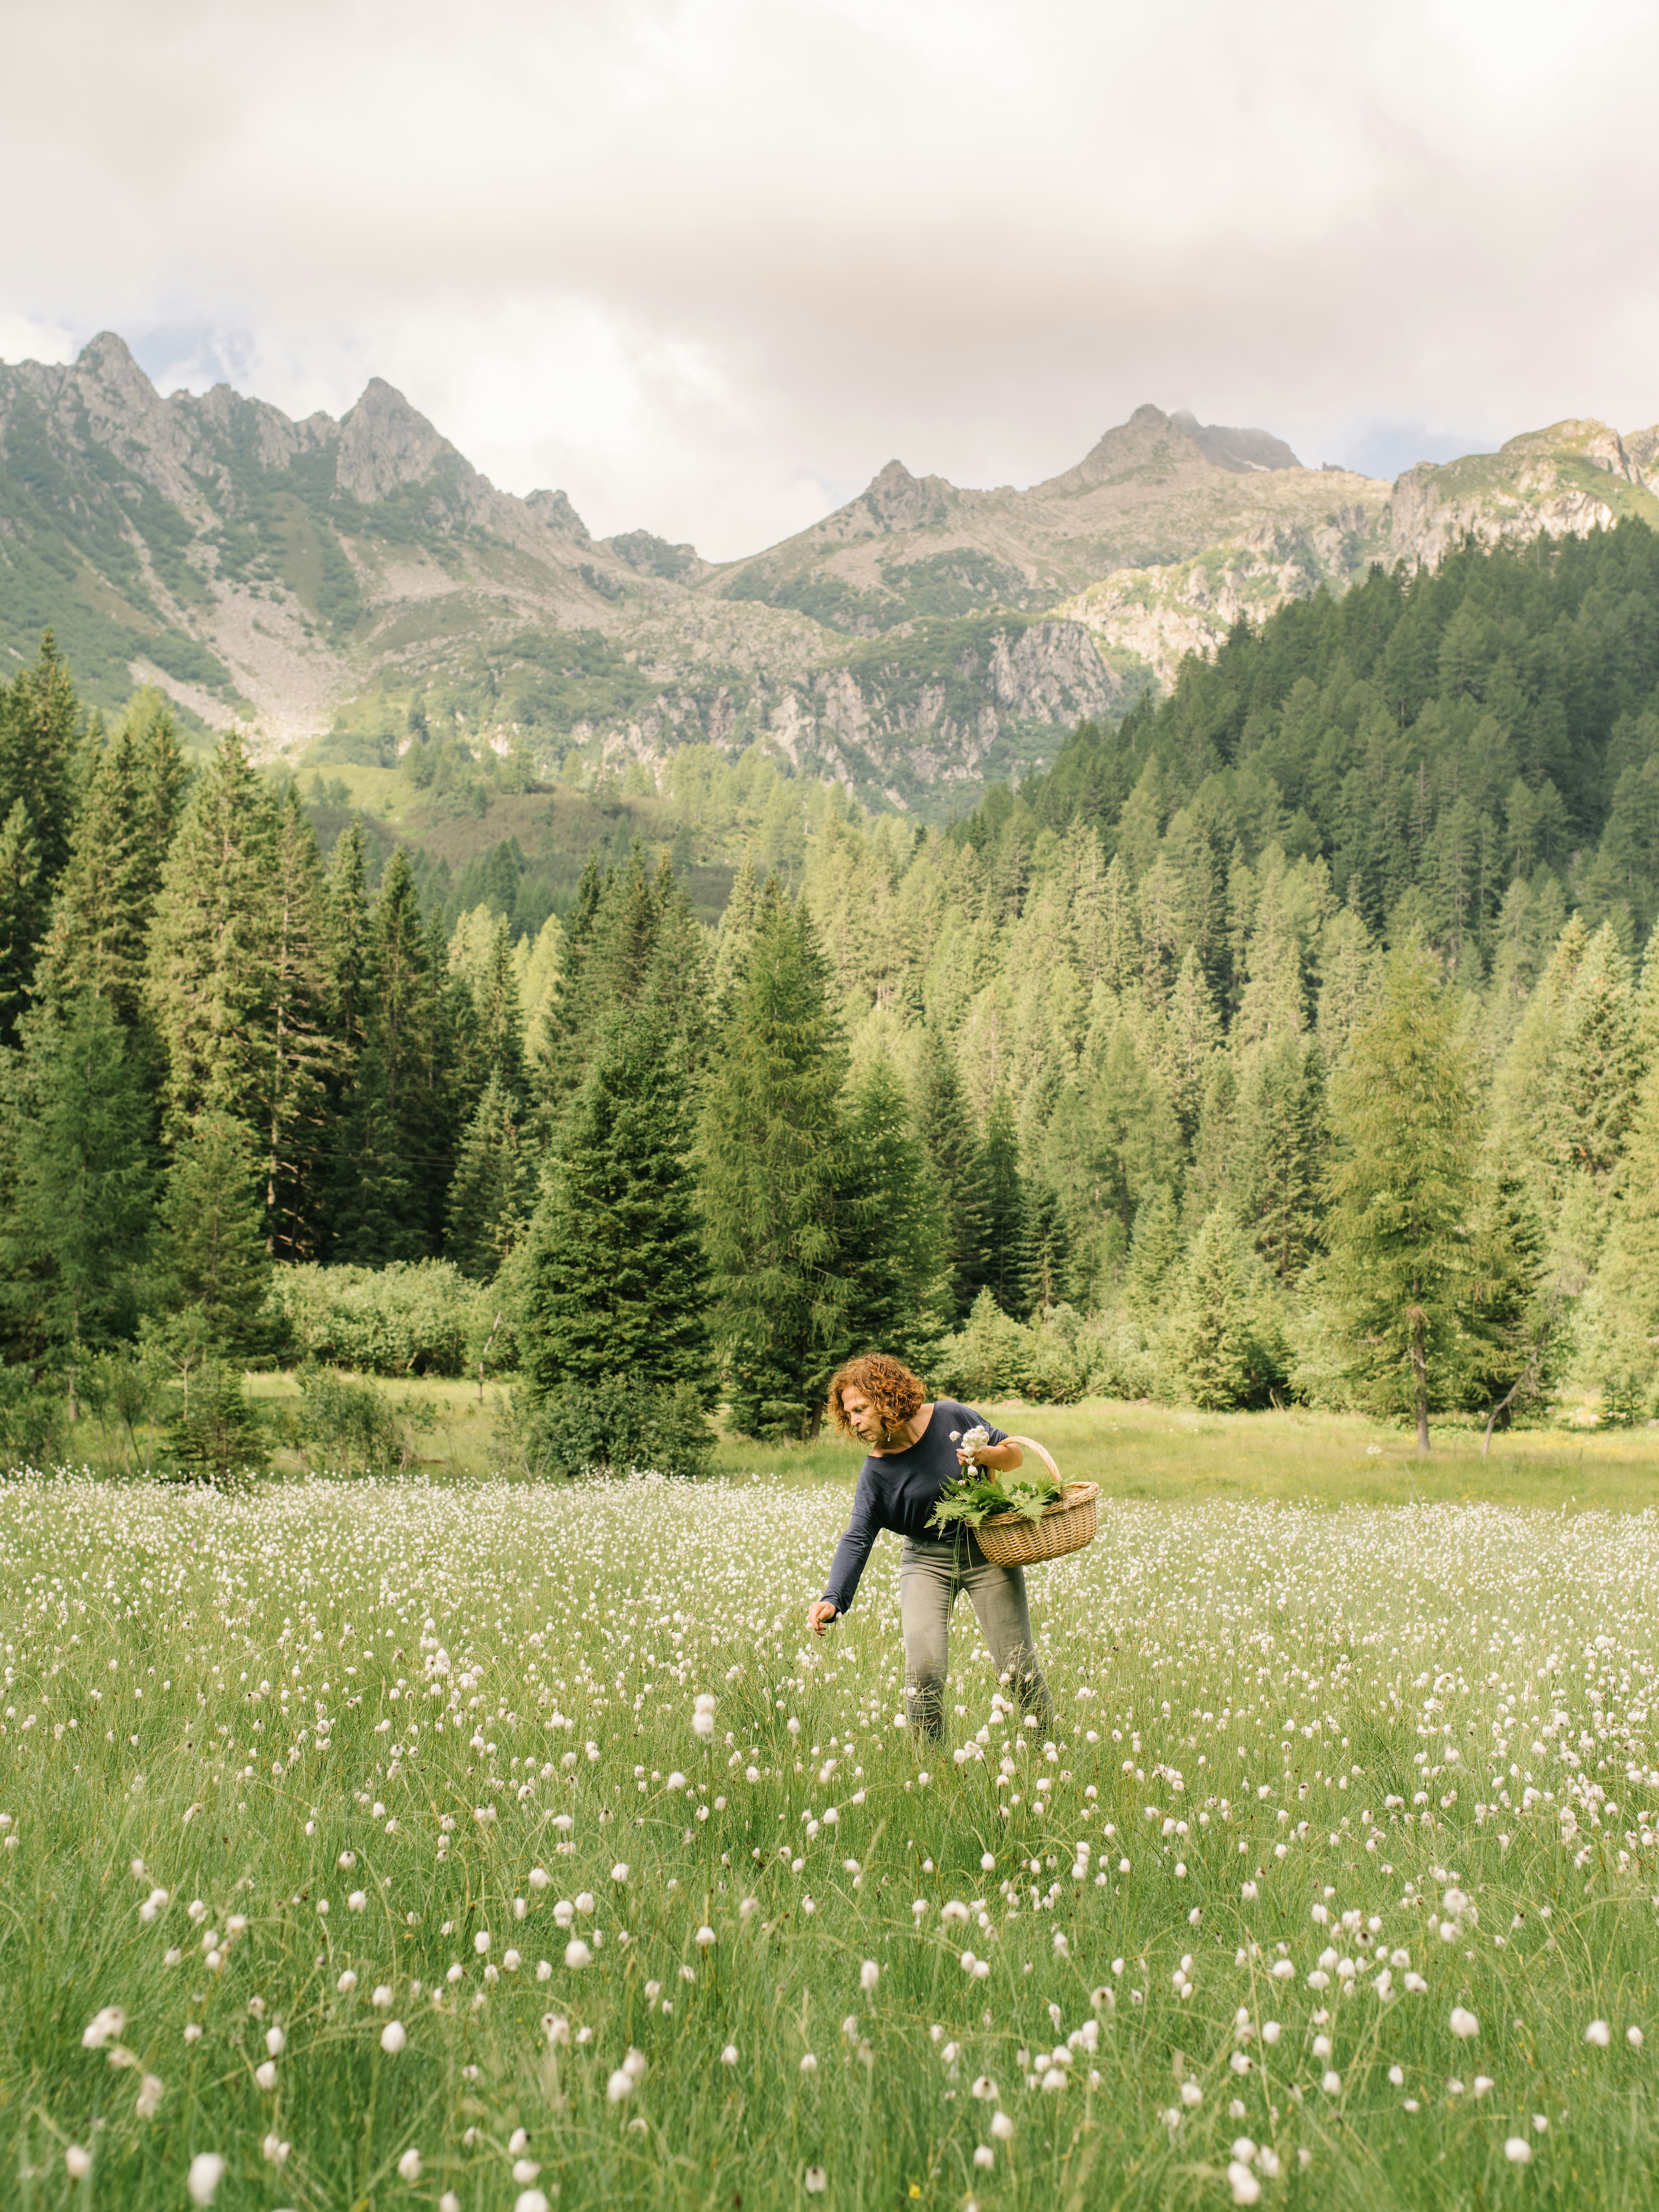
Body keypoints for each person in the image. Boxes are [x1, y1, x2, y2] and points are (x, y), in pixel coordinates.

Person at [807, 1351, 1052, 1739]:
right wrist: (834, 1598)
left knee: (1017, 1667)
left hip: (988, 1553)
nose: (853, 1422)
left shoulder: (953, 1417)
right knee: (923, 1673)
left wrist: (985, 1455)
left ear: (886, 1397)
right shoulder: (876, 1472)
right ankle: (931, 1768)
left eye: (859, 1409)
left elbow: (1015, 1456)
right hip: (926, 1563)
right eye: (848, 1414)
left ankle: (1048, 1751)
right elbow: (858, 1536)